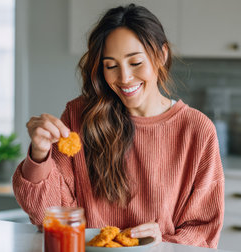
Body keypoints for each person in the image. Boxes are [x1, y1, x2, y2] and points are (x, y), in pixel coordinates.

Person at [12, 3, 224, 248]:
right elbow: (48, 216)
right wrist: (39, 154)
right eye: (111, 66)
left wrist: (161, 242)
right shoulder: (78, 117)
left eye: (135, 63)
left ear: (161, 55)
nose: (124, 78)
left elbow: (203, 232)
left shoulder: (197, 130)